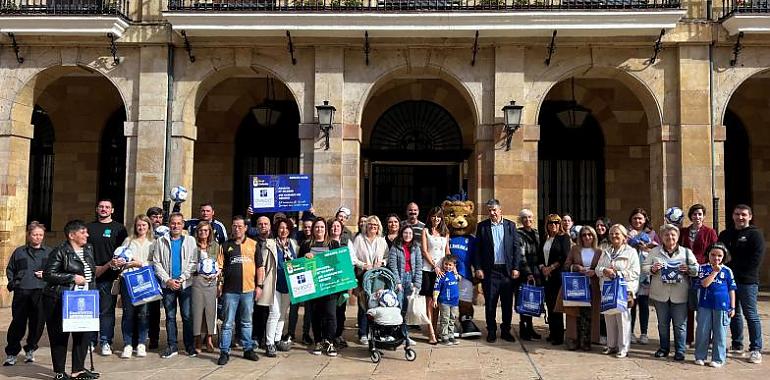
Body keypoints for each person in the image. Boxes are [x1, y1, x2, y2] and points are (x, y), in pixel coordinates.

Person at [42, 220, 99, 380]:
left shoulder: (88, 249)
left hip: (84, 298)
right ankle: (60, 372)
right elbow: (48, 274)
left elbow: (91, 273)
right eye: (83, 232)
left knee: (83, 334)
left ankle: (78, 370)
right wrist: (72, 277)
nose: (87, 235)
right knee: (60, 336)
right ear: (72, 235)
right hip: (60, 299)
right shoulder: (60, 251)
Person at [643, 224, 698, 361]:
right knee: (662, 324)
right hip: (660, 294)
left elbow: (696, 269)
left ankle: (680, 350)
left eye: (673, 234)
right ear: (661, 237)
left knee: (680, 324)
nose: (670, 237)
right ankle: (663, 348)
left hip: (680, 294)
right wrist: (653, 268)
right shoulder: (655, 252)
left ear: (678, 237)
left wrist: (688, 269)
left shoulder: (686, 252)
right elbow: (644, 267)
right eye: (666, 235)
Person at [719, 204, 764, 364]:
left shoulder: (755, 235)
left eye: (744, 214)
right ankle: (737, 345)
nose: (740, 217)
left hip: (747, 281)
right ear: (732, 216)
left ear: (750, 216)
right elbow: (720, 255)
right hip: (728, 281)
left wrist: (734, 262)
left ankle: (756, 348)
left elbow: (755, 259)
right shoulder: (725, 234)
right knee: (734, 313)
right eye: (737, 214)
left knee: (750, 314)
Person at [149, 212, 198, 359]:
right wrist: (168, 280)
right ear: (169, 224)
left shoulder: (190, 241)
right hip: (168, 285)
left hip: (185, 284)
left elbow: (193, 263)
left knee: (187, 316)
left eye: (178, 223)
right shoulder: (161, 241)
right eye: (173, 223)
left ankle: (189, 346)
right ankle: (172, 346)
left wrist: (182, 278)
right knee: (170, 316)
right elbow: (156, 262)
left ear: (183, 225)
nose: (175, 226)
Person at [216, 215, 263, 365]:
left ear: (245, 228)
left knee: (247, 322)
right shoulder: (225, 245)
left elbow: (260, 267)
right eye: (234, 226)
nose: (237, 229)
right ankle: (224, 352)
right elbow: (219, 268)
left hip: (248, 290)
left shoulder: (254, 244)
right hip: (230, 291)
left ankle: (248, 349)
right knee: (227, 323)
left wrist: (259, 286)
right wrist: (219, 285)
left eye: (240, 226)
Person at [4, 222, 51, 366]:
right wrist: (14, 283)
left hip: (41, 292)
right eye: (35, 234)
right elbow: (10, 269)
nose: (38, 237)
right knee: (17, 324)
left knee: (37, 324)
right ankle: (12, 353)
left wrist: (46, 274)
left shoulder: (49, 252)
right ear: (29, 235)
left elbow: (55, 271)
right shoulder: (19, 252)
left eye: (41, 235)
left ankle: (30, 349)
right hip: (22, 292)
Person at [474, 199, 521, 344]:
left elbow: (516, 249)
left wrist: (516, 267)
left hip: (506, 272)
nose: (492, 213)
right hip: (490, 272)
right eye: (489, 210)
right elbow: (477, 251)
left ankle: (506, 330)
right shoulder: (482, 227)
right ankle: (492, 331)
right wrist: (478, 268)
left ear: (500, 210)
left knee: (507, 304)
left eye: (494, 210)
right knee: (490, 303)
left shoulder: (510, 226)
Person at [86, 199, 128, 356]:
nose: (104, 209)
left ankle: (105, 341)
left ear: (112, 210)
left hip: (109, 276)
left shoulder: (119, 228)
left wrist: (118, 265)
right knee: (91, 310)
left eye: (107, 207)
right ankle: (90, 340)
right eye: (101, 207)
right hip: (90, 276)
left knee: (107, 311)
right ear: (97, 209)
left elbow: (125, 251)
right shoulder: (89, 228)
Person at [298, 217, 342, 357]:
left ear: (326, 229)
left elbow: (339, 264)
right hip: (313, 286)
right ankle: (318, 341)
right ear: (313, 229)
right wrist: (305, 259)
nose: (319, 229)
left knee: (330, 315)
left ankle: (329, 342)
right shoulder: (305, 244)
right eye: (317, 227)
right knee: (315, 315)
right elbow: (298, 266)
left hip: (330, 286)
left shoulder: (334, 244)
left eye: (322, 227)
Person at [596, 224, 640, 358]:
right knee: (609, 319)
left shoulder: (631, 252)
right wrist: (604, 270)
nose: (614, 236)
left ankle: (623, 348)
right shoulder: (606, 251)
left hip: (623, 291)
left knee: (623, 320)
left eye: (617, 234)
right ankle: (611, 345)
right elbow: (597, 269)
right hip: (608, 290)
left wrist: (617, 273)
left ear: (624, 237)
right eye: (612, 234)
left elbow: (635, 272)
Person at [679, 204, 718, 346]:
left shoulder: (710, 232)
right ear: (690, 216)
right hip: (685, 273)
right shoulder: (683, 232)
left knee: (703, 307)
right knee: (687, 307)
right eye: (694, 214)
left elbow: (714, 252)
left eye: (700, 214)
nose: (697, 217)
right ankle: (688, 338)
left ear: (704, 216)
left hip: (703, 273)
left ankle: (706, 338)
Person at [259, 217, 299, 357]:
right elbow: (262, 265)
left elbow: (298, 261)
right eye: (281, 228)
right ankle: (269, 343)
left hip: (288, 284)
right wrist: (260, 283)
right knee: (274, 313)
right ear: (277, 229)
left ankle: (277, 339)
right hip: (274, 283)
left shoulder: (293, 244)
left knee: (282, 314)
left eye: (287, 228)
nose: (284, 230)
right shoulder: (269, 243)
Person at [117, 215, 155, 359]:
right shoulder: (128, 241)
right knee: (128, 314)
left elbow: (155, 261)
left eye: (144, 225)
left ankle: (141, 343)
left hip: (145, 281)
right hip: (129, 281)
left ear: (148, 227)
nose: (141, 228)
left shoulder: (153, 242)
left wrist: (141, 264)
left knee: (144, 314)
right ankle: (127, 344)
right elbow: (121, 260)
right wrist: (129, 264)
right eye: (139, 225)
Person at [694, 243, 737, 368]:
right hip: (705, 305)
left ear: (724, 257)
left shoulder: (728, 271)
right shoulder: (703, 268)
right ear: (708, 255)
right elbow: (705, 284)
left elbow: (731, 290)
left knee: (720, 333)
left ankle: (718, 359)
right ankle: (700, 356)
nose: (716, 258)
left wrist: (732, 307)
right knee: (702, 332)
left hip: (722, 307)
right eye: (713, 255)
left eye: (719, 256)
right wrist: (714, 272)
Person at [563, 226, 602, 351]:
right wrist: (576, 268)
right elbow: (566, 265)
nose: (587, 237)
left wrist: (594, 271)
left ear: (594, 236)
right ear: (580, 237)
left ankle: (587, 340)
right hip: (577, 286)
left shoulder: (599, 251)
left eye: (590, 234)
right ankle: (574, 339)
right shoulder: (575, 249)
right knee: (575, 314)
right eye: (584, 235)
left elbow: (603, 267)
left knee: (589, 315)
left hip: (592, 286)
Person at [351, 215, 388, 345]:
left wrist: (382, 262)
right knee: (363, 304)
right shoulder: (359, 239)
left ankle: (375, 332)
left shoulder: (382, 241)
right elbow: (353, 258)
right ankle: (363, 333)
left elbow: (387, 257)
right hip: (363, 275)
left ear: (378, 227)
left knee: (376, 304)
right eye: (370, 224)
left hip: (377, 277)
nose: (373, 226)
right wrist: (363, 265)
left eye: (375, 225)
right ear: (366, 226)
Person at [627, 207, 659, 345]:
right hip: (631, 272)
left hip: (645, 273)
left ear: (645, 219)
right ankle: (631, 332)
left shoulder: (651, 234)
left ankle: (644, 333)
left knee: (644, 304)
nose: (637, 221)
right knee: (632, 303)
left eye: (640, 218)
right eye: (635, 218)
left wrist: (648, 246)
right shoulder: (627, 233)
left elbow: (658, 248)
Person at [538, 213, 570, 345]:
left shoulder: (564, 238)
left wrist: (550, 268)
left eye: (556, 223)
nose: (554, 225)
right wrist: (542, 268)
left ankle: (559, 336)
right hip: (546, 277)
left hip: (556, 276)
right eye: (551, 223)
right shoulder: (545, 238)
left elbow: (564, 257)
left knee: (557, 307)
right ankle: (552, 332)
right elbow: (539, 255)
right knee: (550, 306)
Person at [421, 206, 451, 345]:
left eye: (438, 216)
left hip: (442, 271)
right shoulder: (425, 231)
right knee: (429, 302)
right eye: (434, 216)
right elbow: (425, 251)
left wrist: (452, 266)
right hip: (429, 270)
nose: (436, 219)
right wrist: (434, 266)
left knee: (437, 302)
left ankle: (435, 327)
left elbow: (447, 251)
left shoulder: (445, 232)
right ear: (430, 217)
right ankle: (431, 332)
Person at [191, 221, 220, 354]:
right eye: (201, 230)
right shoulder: (192, 246)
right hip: (197, 281)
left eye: (206, 230)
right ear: (197, 232)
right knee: (197, 311)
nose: (203, 233)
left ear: (210, 232)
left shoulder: (215, 246)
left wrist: (219, 280)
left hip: (211, 282)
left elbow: (220, 264)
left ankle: (209, 339)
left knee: (210, 311)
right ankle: (197, 339)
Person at [387, 225, 423, 320]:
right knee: (398, 305)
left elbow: (419, 267)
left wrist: (417, 284)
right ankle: (397, 331)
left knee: (408, 308)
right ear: (401, 234)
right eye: (405, 233)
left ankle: (404, 332)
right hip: (399, 278)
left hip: (411, 278)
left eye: (410, 233)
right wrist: (397, 281)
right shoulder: (395, 247)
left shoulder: (416, 248)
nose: (408, 235)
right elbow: (393, 266)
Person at [516, 209, 542, 341]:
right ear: (521, 220)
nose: (528, 220)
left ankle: (530, 327)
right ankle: (524, 328)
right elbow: (521, 255)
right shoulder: (518, 234)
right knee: (525, 299)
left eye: (530, 217)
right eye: (525, 218)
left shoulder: (537, 233)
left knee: (532, 300)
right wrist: (528, 273)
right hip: (525, 272)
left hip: (536, 271)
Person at [328, 218, 353, 348]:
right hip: (328, 283)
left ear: (341, 229)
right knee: (330, 311)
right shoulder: (325, 243)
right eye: (332, 226)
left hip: (343, 282)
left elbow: (352, 261)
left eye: (337, 226)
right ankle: (329, 337)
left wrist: (350, 284)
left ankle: (338, 335)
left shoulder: (346, 243)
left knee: (341, 310)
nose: (335, 228)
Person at [145, 206, 165, 349]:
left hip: (160, 275)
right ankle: (139, 337)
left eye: (159, 217)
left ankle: (154, 337)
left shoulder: (166, 234)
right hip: (145, 274)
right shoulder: (143, 233)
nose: (157, 220)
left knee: (154, 308)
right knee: (141, 309)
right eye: (154, 217)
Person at [433, 255, 461, 345]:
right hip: (444, 301)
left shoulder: (455, 275)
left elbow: (459, 279)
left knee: (452, 318)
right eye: (446, 264)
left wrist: (455, 272)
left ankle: (451, 335)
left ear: (453, 266)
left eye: (450, 265)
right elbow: (436, 288)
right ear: (443, 264)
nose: (448, 266)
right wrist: (435, 299)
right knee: (445, 319)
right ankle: (444, 336)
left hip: (454, 302)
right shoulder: (441, 276)